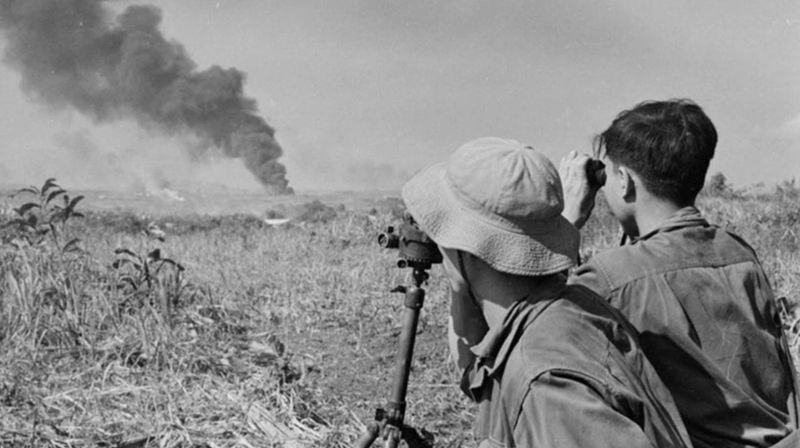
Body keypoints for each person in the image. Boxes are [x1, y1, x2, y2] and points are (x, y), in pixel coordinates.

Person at [401, 137, 693, 447]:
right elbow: (478, 372)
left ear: (470, 249)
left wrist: (459, 263)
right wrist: (460, 277)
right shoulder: (567, 308)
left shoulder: (547, 382)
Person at [560, 99, 799, 448]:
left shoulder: (612, 279)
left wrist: (567, 222)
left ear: (623, 181)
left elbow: (545, 327)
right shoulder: (738, 251)